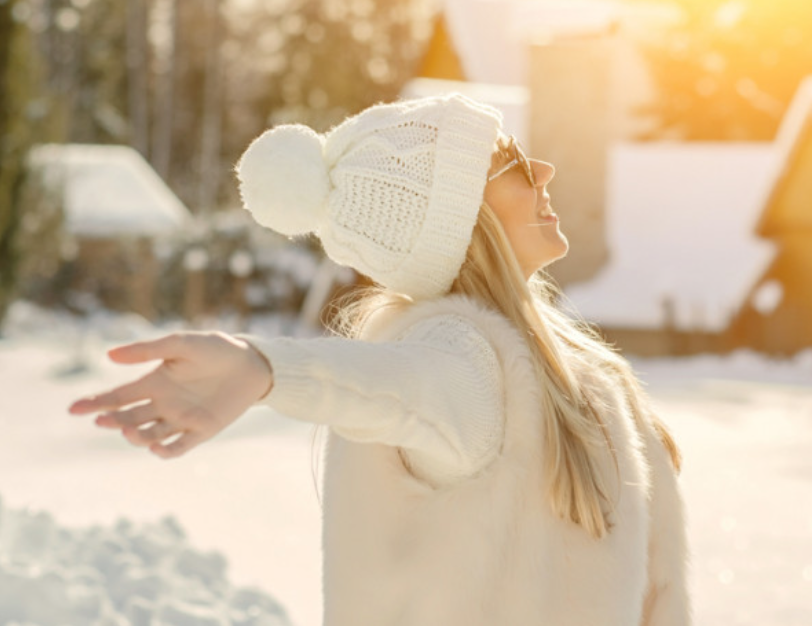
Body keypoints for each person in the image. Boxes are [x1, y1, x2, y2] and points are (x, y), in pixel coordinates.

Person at [69, 94, 691, 625]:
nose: (545, 169)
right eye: (513, 163)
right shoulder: (469, 357)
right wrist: (267, 369)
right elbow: (398, 388)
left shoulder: (575, 368)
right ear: (460, 219)